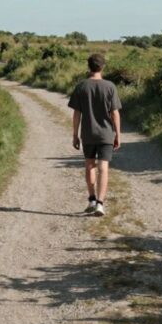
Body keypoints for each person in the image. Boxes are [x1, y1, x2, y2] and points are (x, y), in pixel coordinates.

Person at [68, 53, 122, 216]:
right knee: (103, 167)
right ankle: (100, 203)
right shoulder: (110, 86)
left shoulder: (81, 86)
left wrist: (75, 135)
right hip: (106, 133)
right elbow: (115, 113)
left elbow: (77, 113)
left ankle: (91, 199)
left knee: (90, 165)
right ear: (103, 67)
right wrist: (117, 134)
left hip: (88, 133)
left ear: (88, 66)